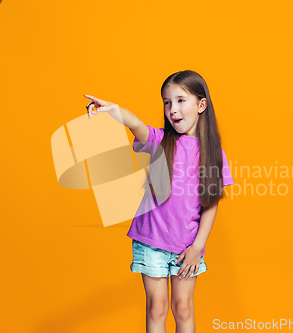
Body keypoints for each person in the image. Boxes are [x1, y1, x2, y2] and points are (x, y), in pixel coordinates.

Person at [84, 70, 234, 333]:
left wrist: (198, 246)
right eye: (167, 102)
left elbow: (210, 204)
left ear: (201, 105)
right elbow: (136, 124)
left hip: (187, 246)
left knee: (183, 307)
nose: (172, 109)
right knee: (157, 307)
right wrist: (113, 110)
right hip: (151, 240)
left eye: (180, 100)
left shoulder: (212, 153)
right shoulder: (160, 141)